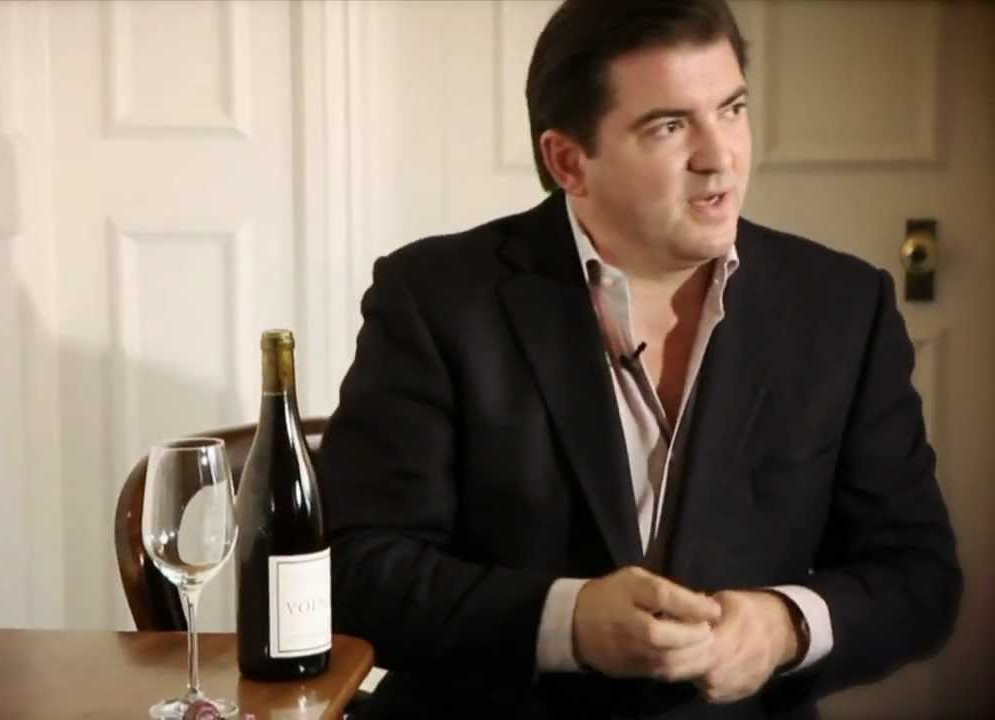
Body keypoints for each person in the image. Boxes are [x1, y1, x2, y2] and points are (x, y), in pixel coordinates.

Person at [317, 1, 962, 718]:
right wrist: (567, 622)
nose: (720, 156)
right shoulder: (435, 297)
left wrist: (787, 626)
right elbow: (352, 571)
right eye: (669, 126)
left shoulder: (844, 306)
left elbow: (918, 577)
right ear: (569, 161)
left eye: (732, 109)